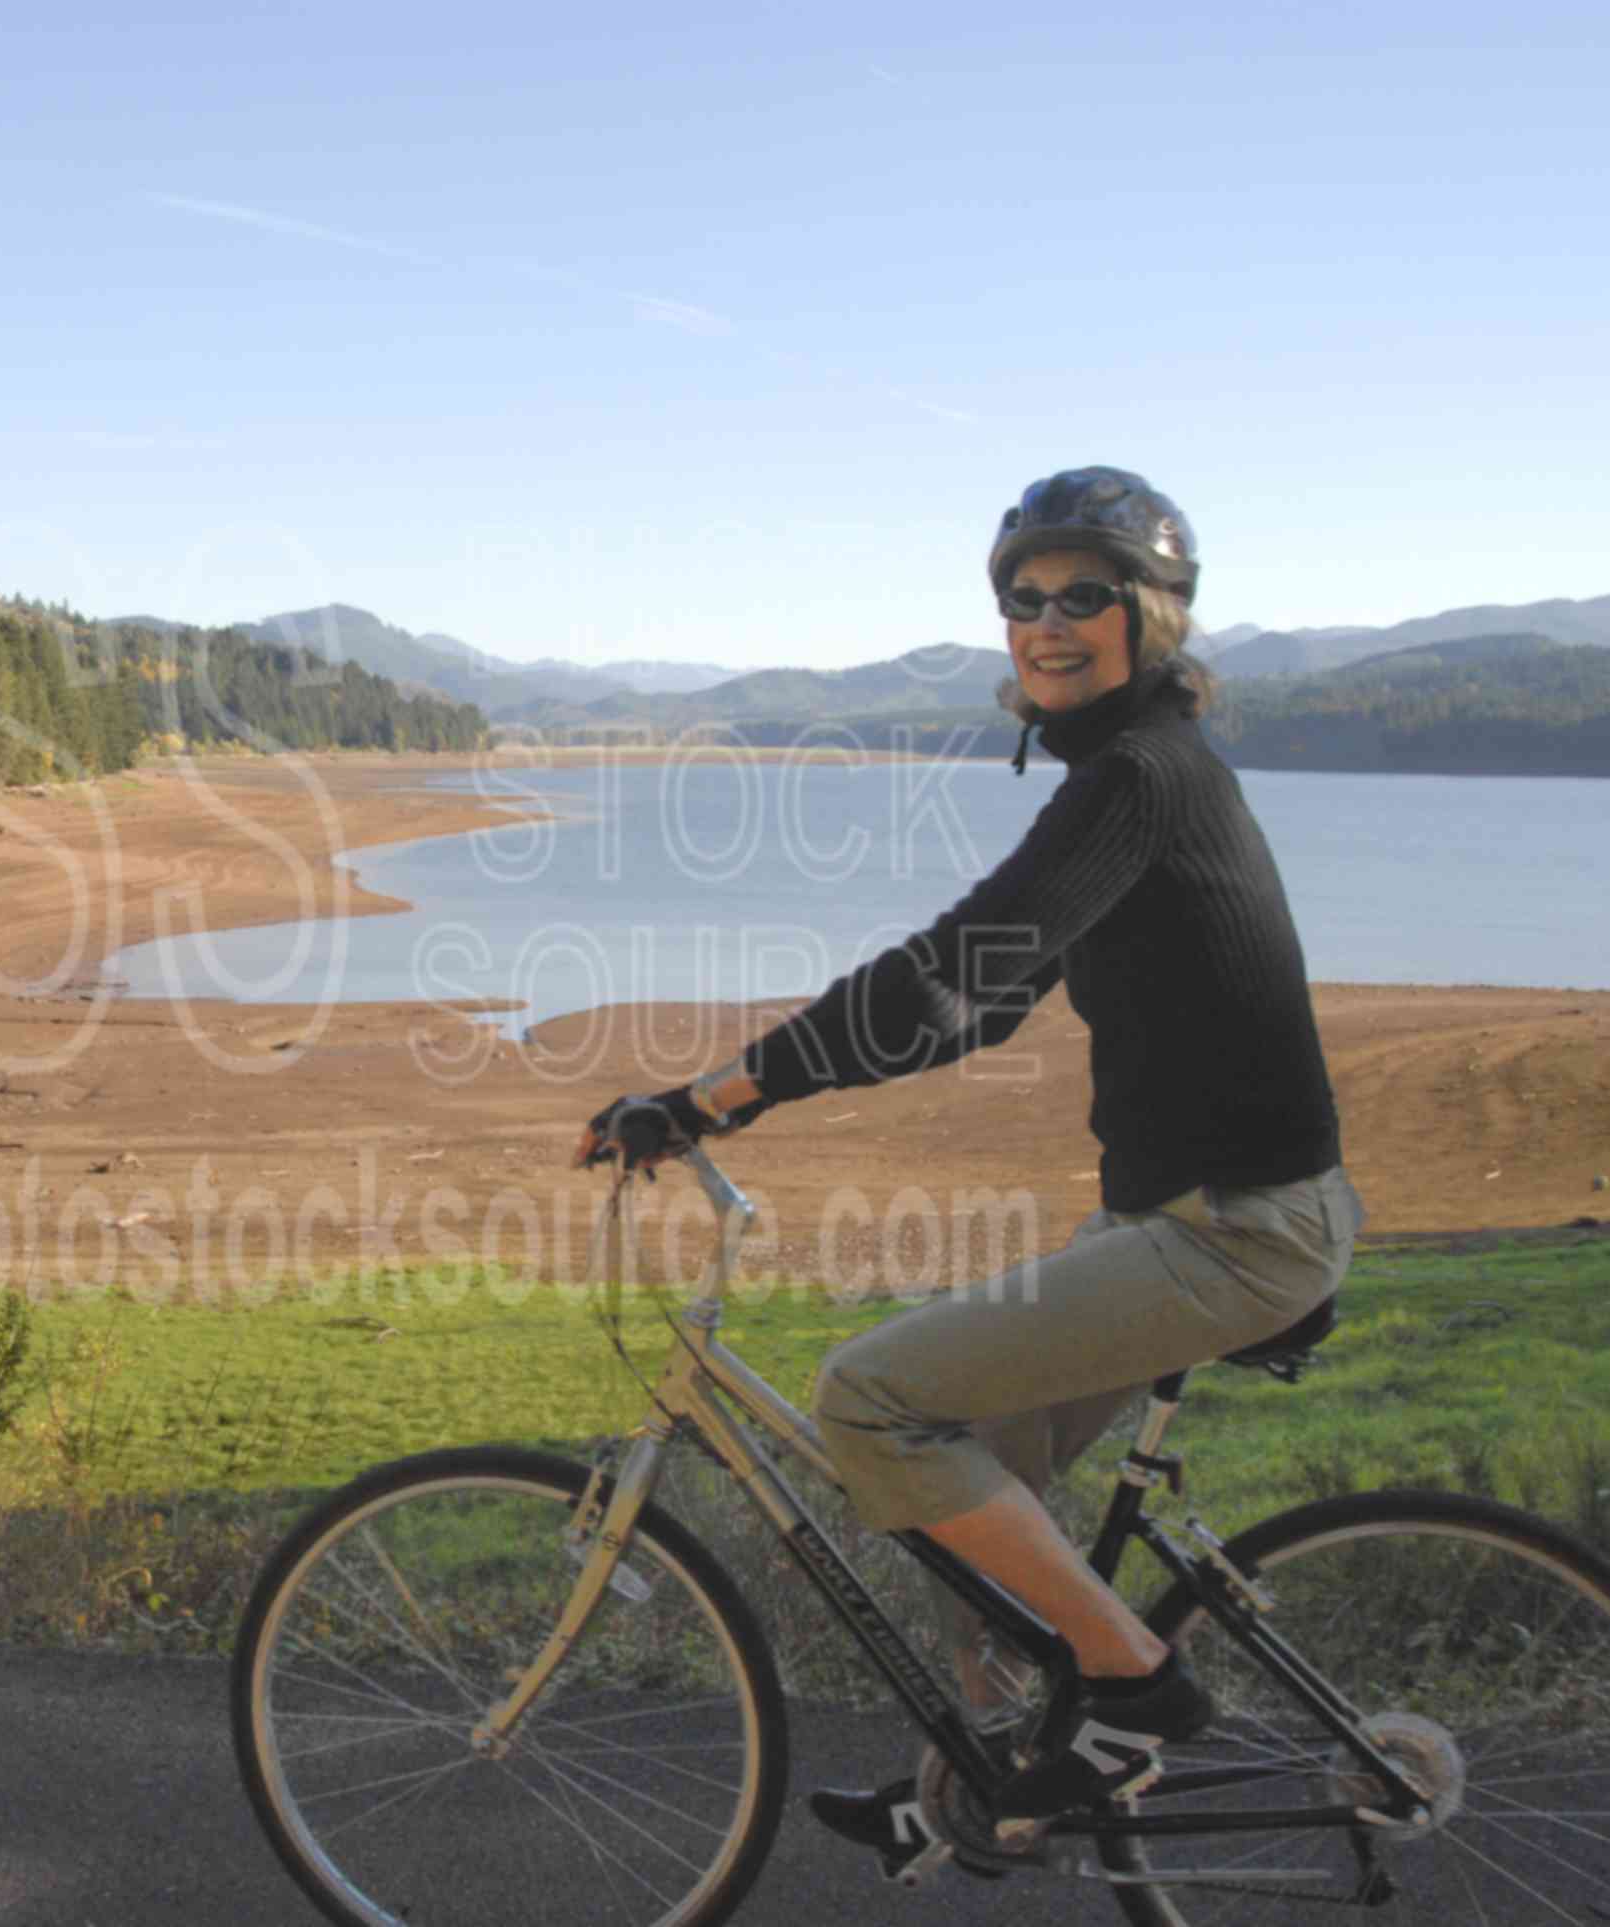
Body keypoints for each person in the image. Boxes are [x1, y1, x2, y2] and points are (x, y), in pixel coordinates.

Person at [573, 467, 1363, 1852]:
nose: (1046, 623)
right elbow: (982, 1003)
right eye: (1022, 600)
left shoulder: (1139, 779)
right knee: (976, 1465)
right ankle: (1001, 1775)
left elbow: (948, 974)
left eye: (1083, 596)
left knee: (869, 1401)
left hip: (1232, 1234)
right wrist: (766, 1084)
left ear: (1154, 618)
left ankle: (1135, 1691)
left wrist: (711, 1099)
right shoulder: (1138, 778)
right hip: (1208, 1220)